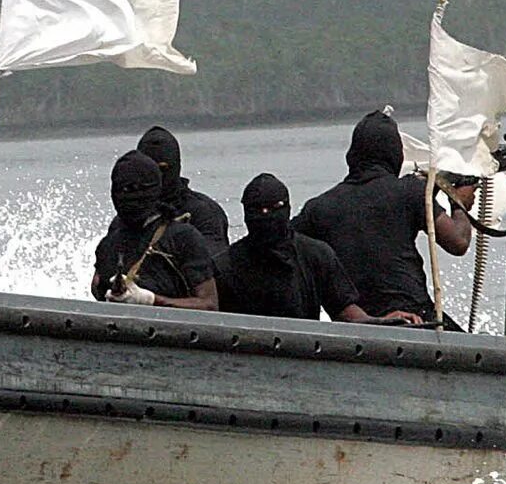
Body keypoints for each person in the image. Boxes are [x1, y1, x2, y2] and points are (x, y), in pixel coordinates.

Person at [293, 109, 476, 327]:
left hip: (356, 324)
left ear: (352, 156)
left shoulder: (319, 208)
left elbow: (282, 244)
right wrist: (459, 204)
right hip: (415, 318)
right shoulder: (410, 192)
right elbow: (458, 243)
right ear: (395, 155)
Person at [200, 173, 372, 321]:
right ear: (245, 212)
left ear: (287, 209)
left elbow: (344, 310)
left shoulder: (315, 256)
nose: (265, 216)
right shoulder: (223, 267)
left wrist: (381, 322)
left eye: (273, 209)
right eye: (257, 210)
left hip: (302, 349)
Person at [91, 150, 218, 309]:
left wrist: (150, 300)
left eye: (136, 188)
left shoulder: (183, 237)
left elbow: (209, 305)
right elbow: (98, 290)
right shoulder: (108, 244)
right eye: (122, 189)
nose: (129, 196)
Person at [135, 125, 230, 256]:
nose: (157, 177)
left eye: (162, 170)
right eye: (150, 171)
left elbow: (214, 264)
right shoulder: (130, 213)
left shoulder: (203, 213)